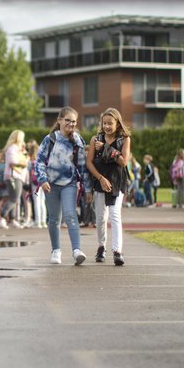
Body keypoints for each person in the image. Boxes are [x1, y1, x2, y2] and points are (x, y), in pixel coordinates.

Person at [34, 106, 90, 266]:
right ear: (59, 121)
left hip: (69, 184)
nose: (71, 124)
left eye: (73, 121)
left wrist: (87, 188)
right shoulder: (50, 139)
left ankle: (77, 250)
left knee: (71, 214)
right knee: (53, 219)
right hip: (50, 185)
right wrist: (43, 180)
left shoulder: (77, 140)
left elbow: (82, 166)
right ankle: (56, 250)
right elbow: (38, 161)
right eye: (67, 120)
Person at [85, 107, 131, 266]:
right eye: (104, 123)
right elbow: (89, 163)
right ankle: (101, 246)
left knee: (115, 215)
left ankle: (117, 251)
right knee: (100, 218)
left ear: (117, 123)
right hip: (100, 182)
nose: (107, 126)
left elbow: (124, 161)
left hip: (117, 182)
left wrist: (105, 148)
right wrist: (100, 178)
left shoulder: (124, 139)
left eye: (110, 123)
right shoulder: (95, 139)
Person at [2, 130, 29, 229]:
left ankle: (12, 219)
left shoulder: (18, 149)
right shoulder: (12, 148)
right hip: (13, 176)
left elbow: (26, 158)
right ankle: (1, 217)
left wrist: (24, 152)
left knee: (13, 198)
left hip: (18, 176)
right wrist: (23, 163)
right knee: (15, 198)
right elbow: (12, 162)